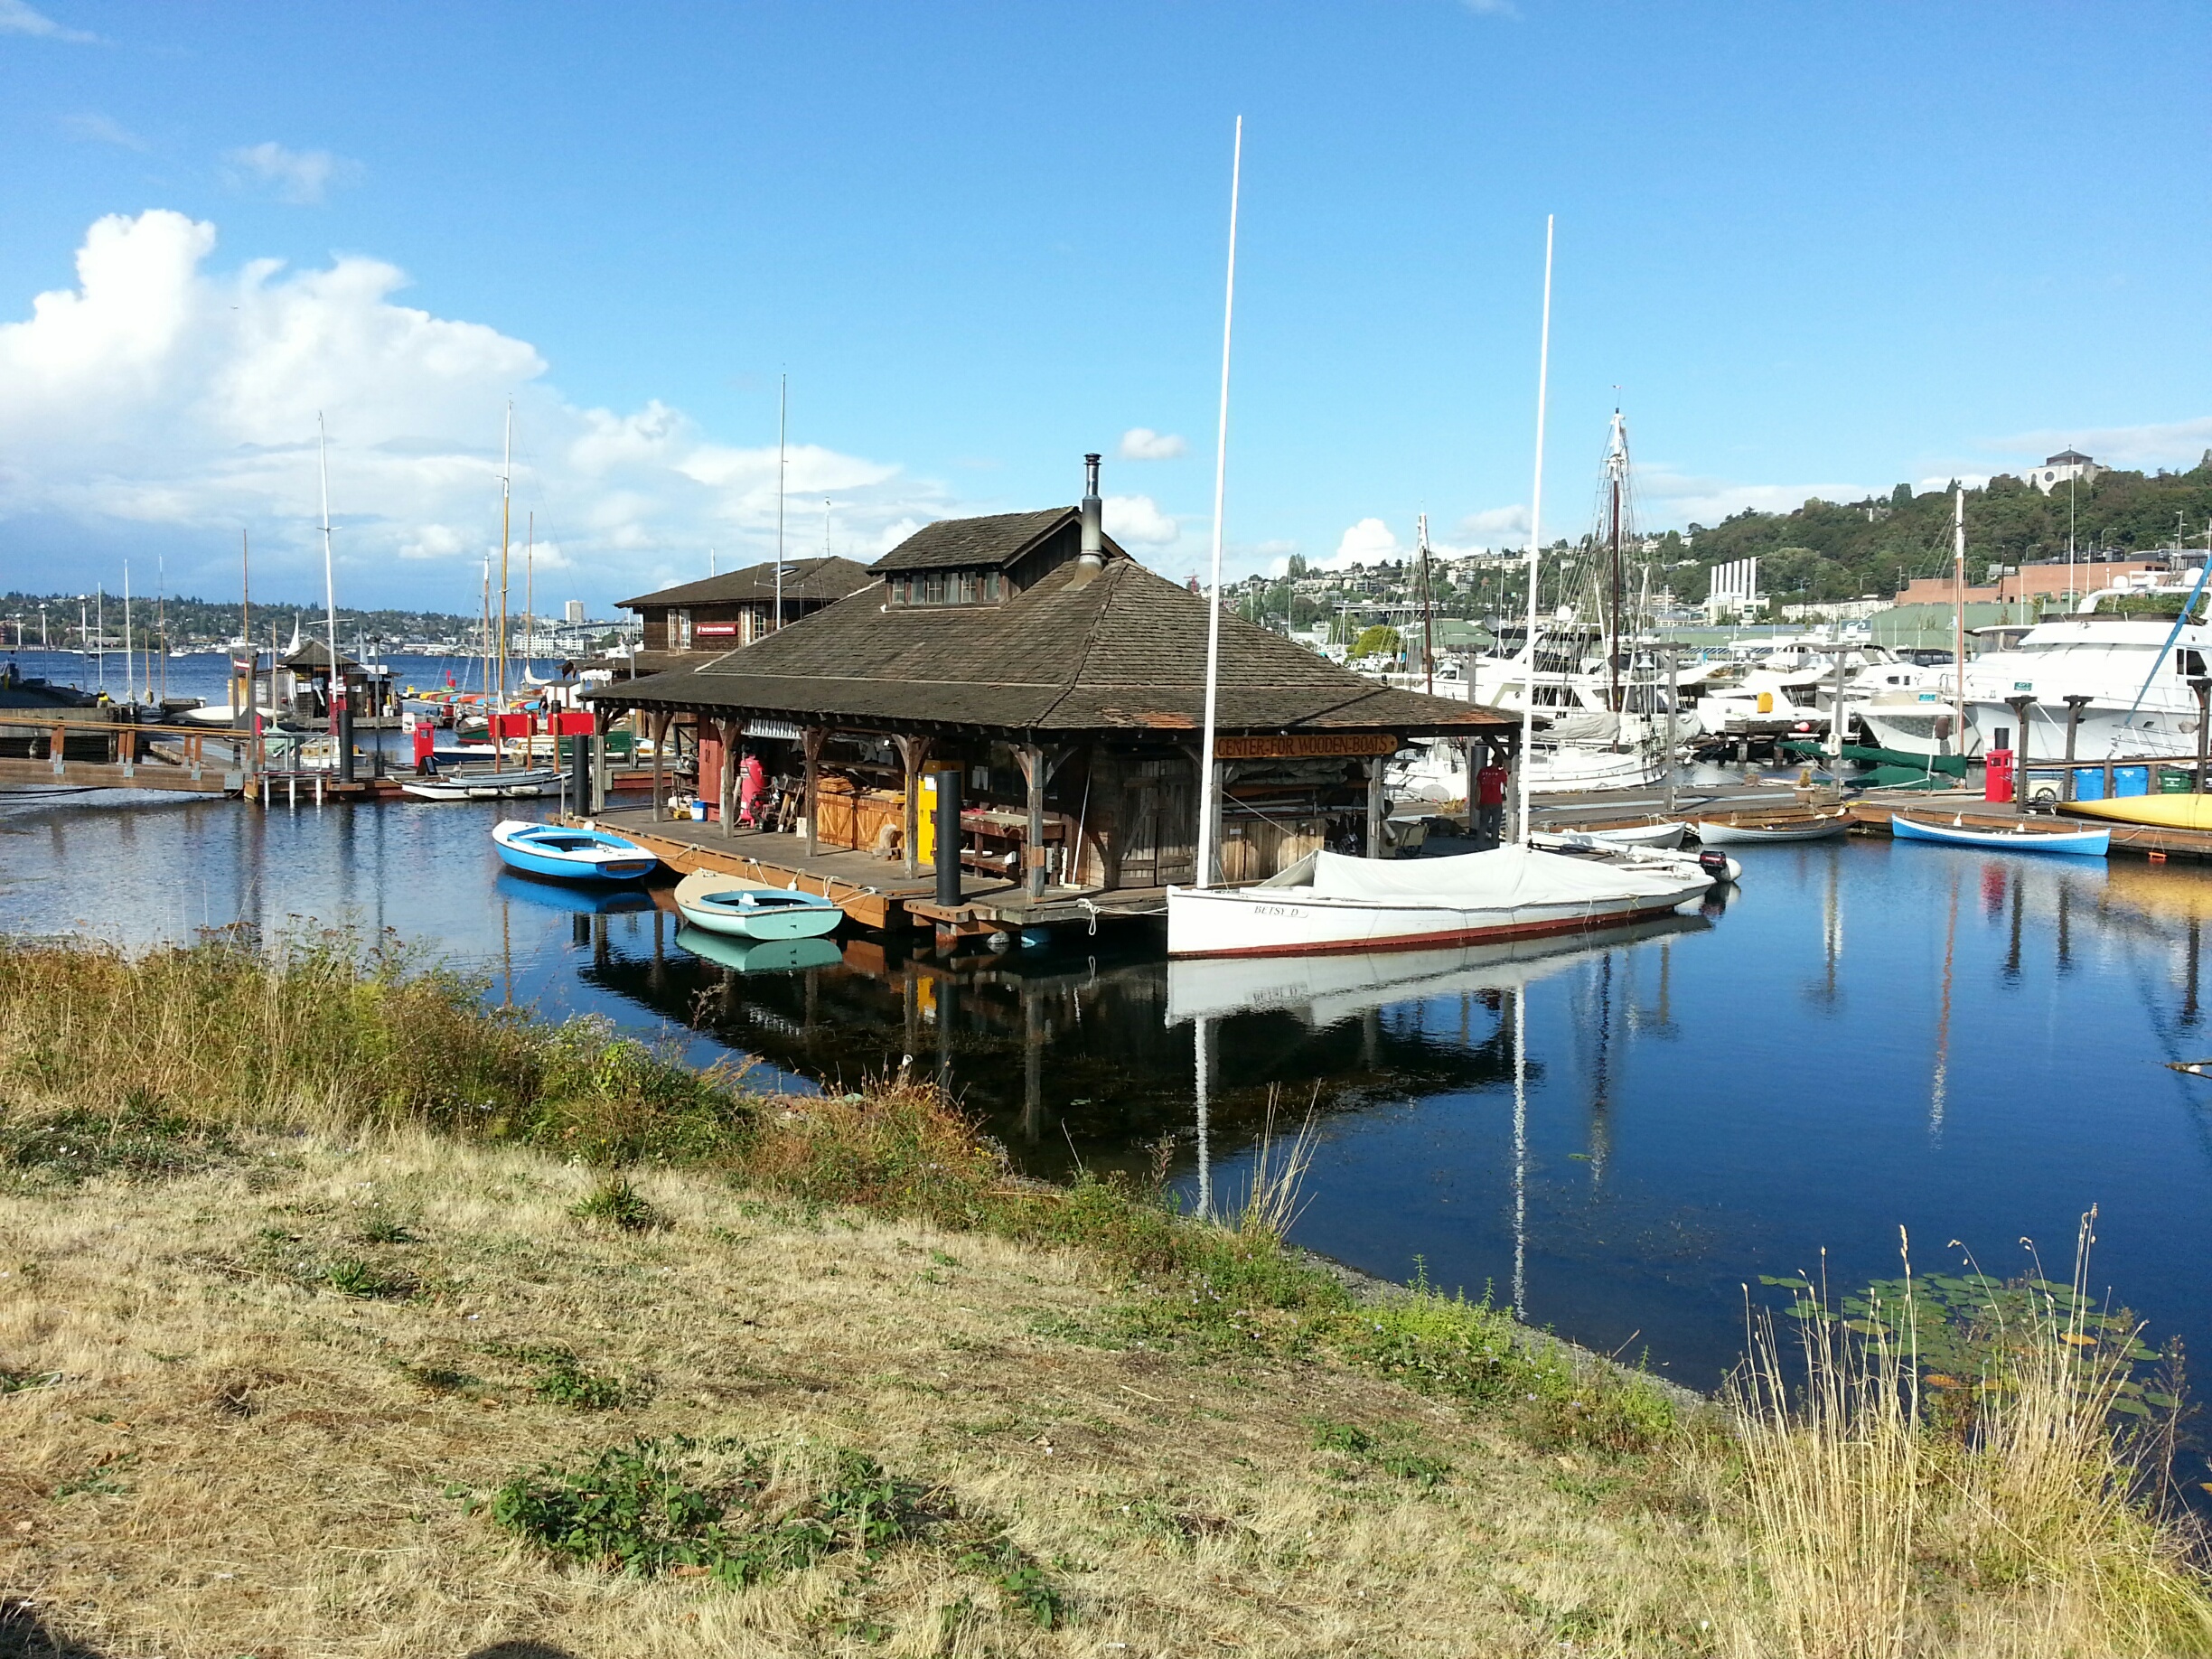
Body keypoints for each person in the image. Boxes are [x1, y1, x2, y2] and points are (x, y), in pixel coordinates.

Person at [1475, 752, 1508, 848]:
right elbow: (1507, 785)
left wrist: (1477, 800)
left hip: (1484, 801)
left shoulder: (1483, 771)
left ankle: (1479, 845)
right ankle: (1494, 845)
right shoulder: (1501, 773)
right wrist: (1505, 771)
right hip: (1496, 801)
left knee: (1483, 825)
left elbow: (1477, 787)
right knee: (1495, 826)